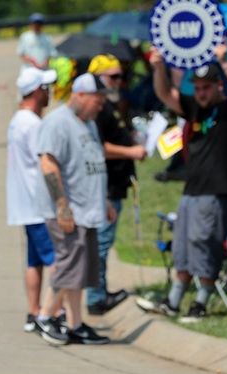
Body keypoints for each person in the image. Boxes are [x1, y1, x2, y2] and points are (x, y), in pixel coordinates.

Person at [138, 41, 227, 322]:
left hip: (216, 191)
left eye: (206, 87)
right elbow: (165, 94)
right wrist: (158, 66)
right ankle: (174, 300)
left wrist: (224, 62)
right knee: (183, 247)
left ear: (218, 87)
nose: (201, 93)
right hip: (191, 189)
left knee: (205, 245)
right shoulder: (194, 110)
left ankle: (200, 303)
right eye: (198, 87)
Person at [34, 73, 116, 345]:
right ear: (79, 94)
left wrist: (102, 201)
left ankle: (75, 324)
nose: (101, 105)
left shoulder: (88, 123)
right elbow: (48, 163)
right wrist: (62, 206)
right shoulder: (57, 123)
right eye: (97, 99)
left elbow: (90, 163)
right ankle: (46, 317)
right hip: (68, 212)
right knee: (69, 267)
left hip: (87, 210)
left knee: (78, 272)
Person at [85, 54, 147, 315]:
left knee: (104, 242)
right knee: (100, 242)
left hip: (116, 184)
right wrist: (131, 152)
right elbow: (98, 148)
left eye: (121, 76)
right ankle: (96, 297)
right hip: (105, 185)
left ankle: (99, 291)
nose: (119, 81)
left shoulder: (112, 104)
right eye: (113, 76)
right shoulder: (98, 109)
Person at [5, 67, 59, 332]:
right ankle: (53, 313)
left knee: (34, 261)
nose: (49, 93)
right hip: (39, 205)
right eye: (47, 88)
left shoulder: (18, 120)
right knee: (58, 261)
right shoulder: (35, 124)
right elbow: (46, 162)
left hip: (24, 205)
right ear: (37, 91)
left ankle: (33, 311)